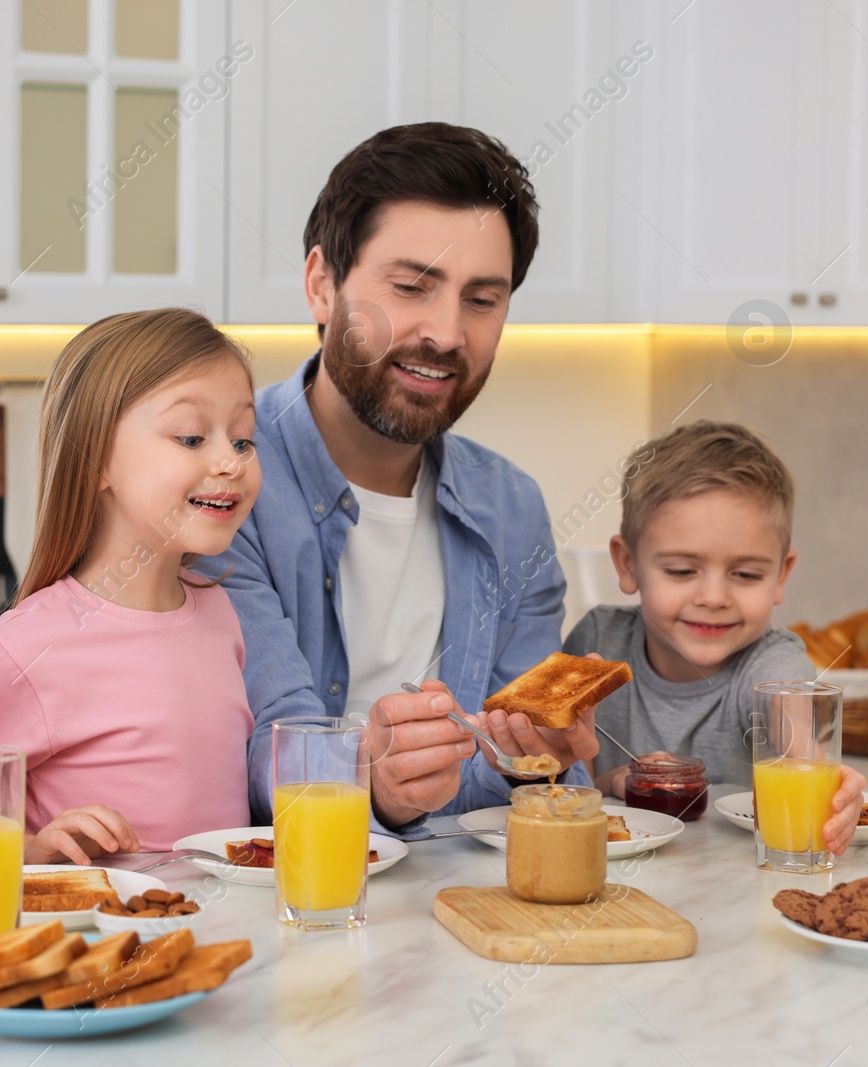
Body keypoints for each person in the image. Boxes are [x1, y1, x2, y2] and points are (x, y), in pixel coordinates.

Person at [197, 122, 600, 837]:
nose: (446, 333)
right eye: (412, 286)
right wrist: (369, 783)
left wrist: (529, 759)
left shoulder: (513, 510)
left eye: (482, 299)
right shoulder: (224, 483)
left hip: (457, 914)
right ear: (322, 285)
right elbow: (259, 755)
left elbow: (492, 773)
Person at [0, 309, 259, 865]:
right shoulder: (27, 649)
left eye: (244, 440)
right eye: (192, 436)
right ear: (94, 459)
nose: (230, 461)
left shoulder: (221, 614)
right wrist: (32, 850)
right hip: (99, 945)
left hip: (218, 942)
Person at [565, 421, 864, 853]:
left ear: (781, 574)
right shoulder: (597, 641)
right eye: (682, 571)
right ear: (627, 564)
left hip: (735, 892)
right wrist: (612, 783)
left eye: (745, 574)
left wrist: (831, 785)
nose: (713, 597)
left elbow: (801, 744)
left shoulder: (772, 663)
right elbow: (565, 790)